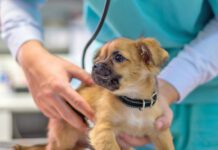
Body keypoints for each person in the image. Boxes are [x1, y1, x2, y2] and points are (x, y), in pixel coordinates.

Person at [1, 0, 218, 149]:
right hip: (114, 97)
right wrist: (31, 56)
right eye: (99, 59)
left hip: (207, 98)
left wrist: (170, 86)